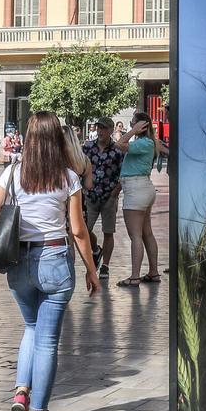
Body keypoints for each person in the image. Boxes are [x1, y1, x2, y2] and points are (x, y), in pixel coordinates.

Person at [0, 112, 100, 411]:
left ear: (29, 138)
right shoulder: (68, 178)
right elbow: (78, 231)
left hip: (19, 262)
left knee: (31, 328)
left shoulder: (13, 173)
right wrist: (92, 270)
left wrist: (8, 240)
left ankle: (21, 391)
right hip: (55, 260)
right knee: (47, 340)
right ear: (57, 141)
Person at [115, 111, 167, 288]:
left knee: (135, 235)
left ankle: (135, 276)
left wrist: (131, 131)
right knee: (146, 233)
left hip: (136, 190)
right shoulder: (147, 142)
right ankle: (153, 272)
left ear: (141, 126)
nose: (131, 125)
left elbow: (119, 144)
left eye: (133, 122)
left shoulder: (144, 143)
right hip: (142, 188)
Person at [83, 117, 122, 279]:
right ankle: (95, 250)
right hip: (90, 197)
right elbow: (81, 167)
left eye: (104, 128)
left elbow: (122, 173)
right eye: (98, 128)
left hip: (108, 196)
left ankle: (105, 265)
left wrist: (114, 192)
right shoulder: (88, 148)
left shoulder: (117, 150)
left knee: (108, 231)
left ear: (111, 130)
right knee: (85, 228)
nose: (100, 131)